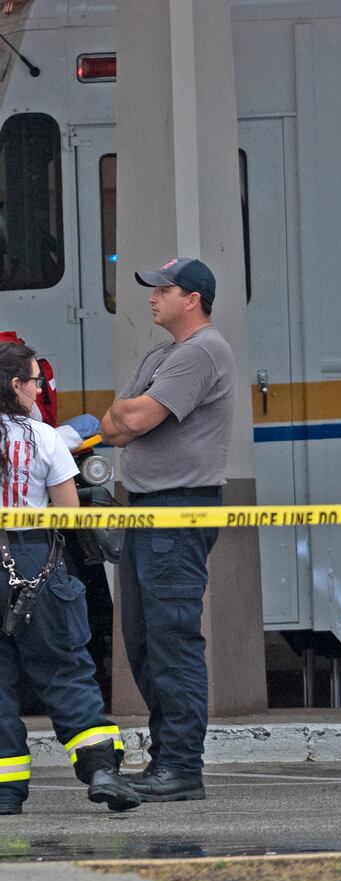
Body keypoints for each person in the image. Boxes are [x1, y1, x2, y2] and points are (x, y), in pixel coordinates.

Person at [100, 257, 235, 803]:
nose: (152, 297)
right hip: (148, 510)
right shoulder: (165, 353)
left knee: (172, 641)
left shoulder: (203, 351)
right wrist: (121, 416)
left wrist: (122, 416)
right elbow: (117, 422)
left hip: (176, 511)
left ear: (194, 298)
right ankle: (167, 762)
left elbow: (129, 421)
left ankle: (180, 768)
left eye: (164, 288)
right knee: (144, 641)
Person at [0, 342, 140, 815]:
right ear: (16, 386)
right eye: (36, 380)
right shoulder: (44, 439)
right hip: (40, 561)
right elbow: (70, 515)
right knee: (65, 670)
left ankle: (5, 791)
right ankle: (102, 771)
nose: (40, 388)